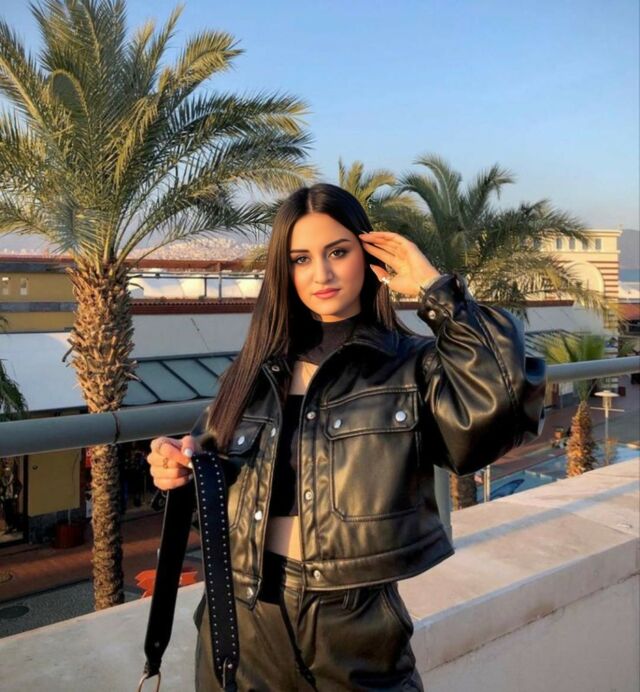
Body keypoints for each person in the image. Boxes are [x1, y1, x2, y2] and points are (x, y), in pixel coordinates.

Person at [146, 183, 546, 691]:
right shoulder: (249, 374)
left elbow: (505, 398)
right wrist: (178, 472)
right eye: (301, 259)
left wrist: (434, 288)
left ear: (368, 255)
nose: (322, 274)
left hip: (354, 627)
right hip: (238, 625)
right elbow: (214, 498)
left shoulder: (410, 365)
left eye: (338, 251)